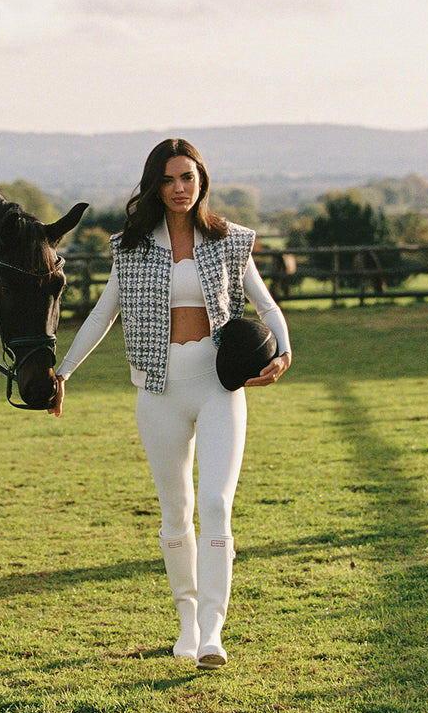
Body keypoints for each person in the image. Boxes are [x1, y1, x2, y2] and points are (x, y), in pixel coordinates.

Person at [49, 138, 291, 669]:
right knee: (176, 513)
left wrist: (284, 350)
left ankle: (212, 631)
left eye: (188, 177)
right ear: (154, 186)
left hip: (218, 387)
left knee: (216, 505)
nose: (179, 188)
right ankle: (185, 620)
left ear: (201, 180)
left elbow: (267, 306)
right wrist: (62, 371)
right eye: (168, 179)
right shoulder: (131, 248)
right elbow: (100, 315)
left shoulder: (229, 241)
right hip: (157, 392)